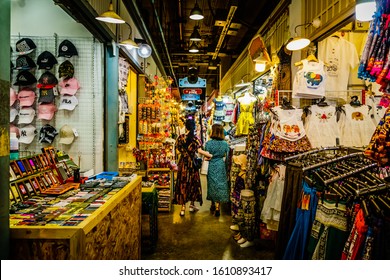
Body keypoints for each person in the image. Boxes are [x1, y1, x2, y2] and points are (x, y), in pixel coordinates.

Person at [173, 118, 211, 216]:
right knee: (193, 184)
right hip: (192, 165)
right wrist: (209, 155)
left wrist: (184, 153)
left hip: (183, 164)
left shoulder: (180, 138)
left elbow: (177, 151)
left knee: (183, 184)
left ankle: (182, 208)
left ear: (186, 127)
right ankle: (191, 205)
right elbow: (199, 151)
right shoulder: (195, 139)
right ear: (194, 127)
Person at [205, 123, 230, 217]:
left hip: (211, 165)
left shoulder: (209, 143)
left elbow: (206, 155)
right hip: (220, 165)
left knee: (212, 184)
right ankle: (217, 206)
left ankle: (212, 203)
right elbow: (226, 156)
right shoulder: (225, 144)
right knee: (219, 184)